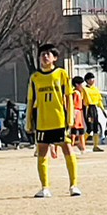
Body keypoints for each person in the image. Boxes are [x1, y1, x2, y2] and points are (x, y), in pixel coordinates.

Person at [26, 44, 79, 197]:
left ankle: (73, 185)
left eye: (49, 54)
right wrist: (29, 121)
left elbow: (68, 97)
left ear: (55, 58)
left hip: (60, 120)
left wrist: (70, 118)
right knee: (42, 152)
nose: (45, 56)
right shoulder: (35, 78)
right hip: (43, 121)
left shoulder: (61, 74)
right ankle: (45, 187)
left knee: (68, 149)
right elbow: (31, 100)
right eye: (42, 54)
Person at [82, 73, 105, 151]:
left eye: (93, 78)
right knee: (90, 128)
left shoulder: (95, 89)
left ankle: (96, 146)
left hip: (94, 108)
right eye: (91, 79)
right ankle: (81, 143)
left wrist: (103, 109)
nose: (93, 80)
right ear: (87, 80)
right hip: (88, 108)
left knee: (95, 128)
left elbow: (99, 100)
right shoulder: (85, 89)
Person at [69, 75, 87, 152]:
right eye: (81, 84)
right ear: (77, 84)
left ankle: (82, 147)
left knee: (80, 130)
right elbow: (72, 103)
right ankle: (71, 145)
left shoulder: (79, 92)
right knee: (74, 130)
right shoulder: (75, 93)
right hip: (76, 111)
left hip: (79, 112)